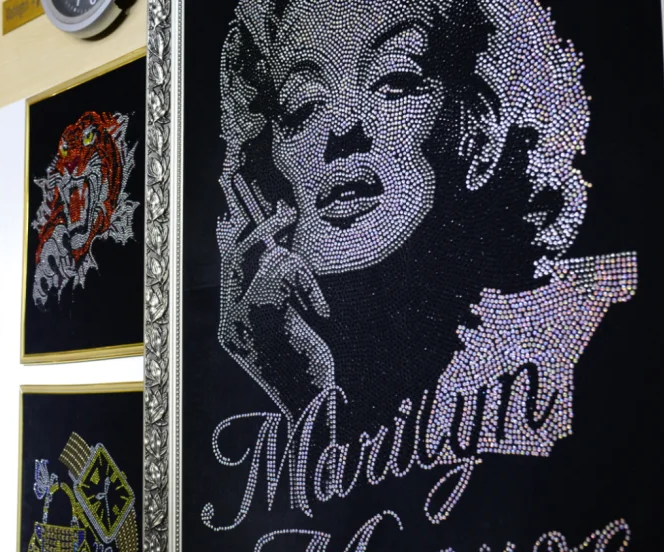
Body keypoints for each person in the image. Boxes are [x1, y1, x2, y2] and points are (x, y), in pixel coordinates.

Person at [216, 0, 636, 460]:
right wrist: (297, 378)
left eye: (394, 81)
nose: (342, 129)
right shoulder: (292, 344)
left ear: (479, 128)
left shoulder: (591, 321)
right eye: (303, 107)